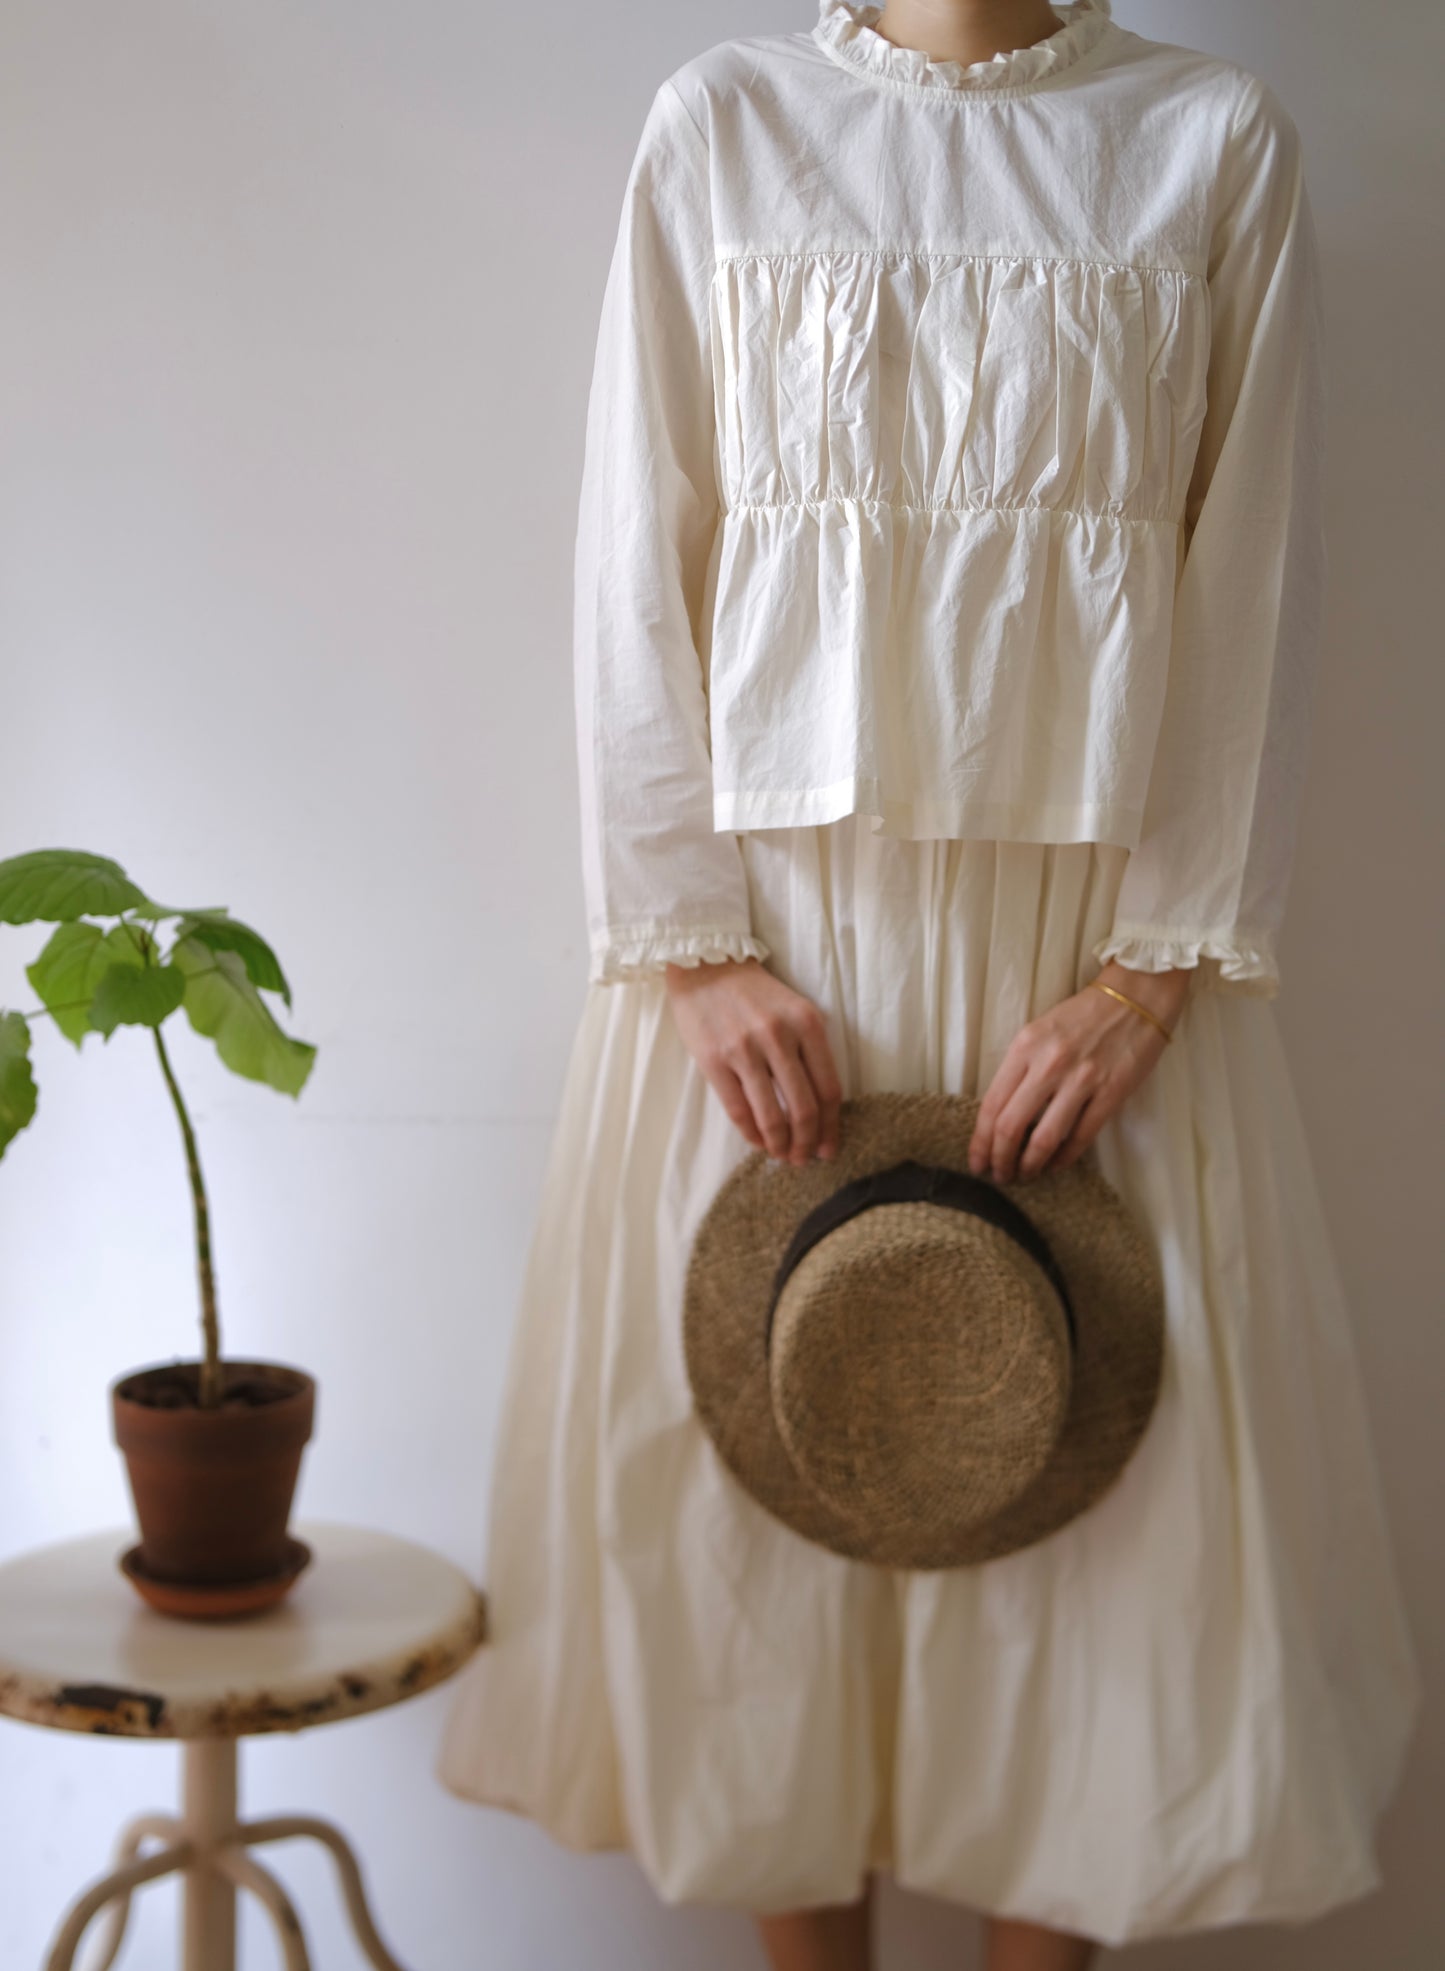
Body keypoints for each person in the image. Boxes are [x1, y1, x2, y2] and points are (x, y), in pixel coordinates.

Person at [436, 4, 1422, 1966]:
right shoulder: (724, 125)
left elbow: (1261, 577)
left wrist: (1152, 976)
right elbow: (639, 548)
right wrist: (697, 948)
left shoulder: (1209, 142)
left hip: (1090, 970)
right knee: (768, 1516)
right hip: (776, 965)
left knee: (1091, 1520)